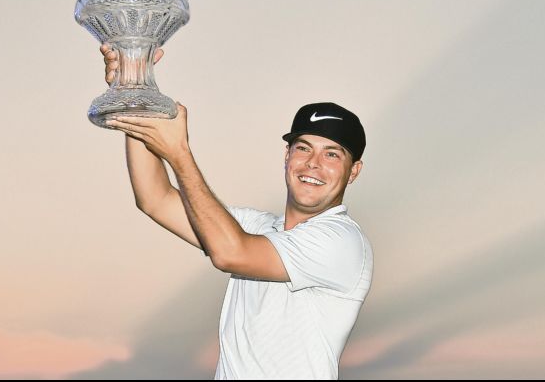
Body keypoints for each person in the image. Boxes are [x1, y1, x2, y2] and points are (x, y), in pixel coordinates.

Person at [100, 43, 373, 380]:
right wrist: (133, 91)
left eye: (332, 154)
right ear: (287, 155)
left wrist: (179, 153)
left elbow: (230, 252)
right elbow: (155, 198)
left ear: (354, 171)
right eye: (303, 148)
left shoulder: (342, 242)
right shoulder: (255, 229)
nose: (313, 163)